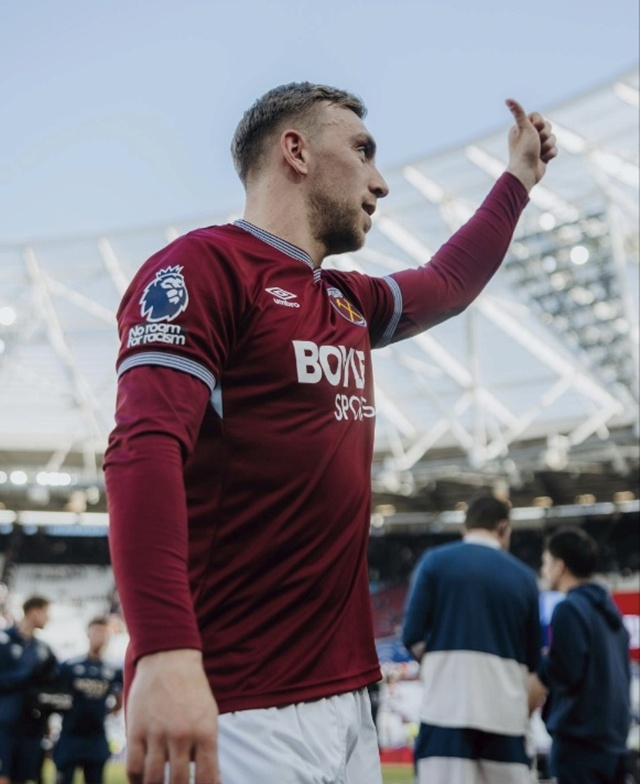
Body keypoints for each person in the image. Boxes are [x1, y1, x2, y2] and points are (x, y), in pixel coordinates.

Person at [104, 81, 557, 784]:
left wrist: (518, 178)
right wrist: (165, 650)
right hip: (237, 702)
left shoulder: (343, 300)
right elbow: (143, 451)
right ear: (297, 151)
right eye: (363, 151)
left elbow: (447, 282)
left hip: (349, 702)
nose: (381, 182)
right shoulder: (202, 268)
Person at [402, 496, 542, 783]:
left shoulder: (435, 563)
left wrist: (442, 665)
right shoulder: (525, 578)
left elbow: (411, 635)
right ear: (503, 528)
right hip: (505, 720)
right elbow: (532, 661)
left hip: (445, 715)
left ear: (466, 527)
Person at [535, 526, 631, 784]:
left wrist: (542, 662)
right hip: (613, 745)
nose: (543, 570)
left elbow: (566, 672)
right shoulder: (610, 613)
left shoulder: (569, 609)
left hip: (579, 745)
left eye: (545, 562)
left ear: (560, 566)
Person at [53, 616, 123, 784]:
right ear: (88, 633)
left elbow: (119, 699)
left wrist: (105, 712)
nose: (100, 636)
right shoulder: (70, 666)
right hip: (70, 734)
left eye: (104, 633)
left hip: (96, 736)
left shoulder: (112, 670)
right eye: (97, 631)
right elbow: (55, 696)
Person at [0, 595, 57, 784]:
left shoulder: (44, 649)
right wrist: (26, 673)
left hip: (32, 724)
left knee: (24, 777)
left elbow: (52, 683)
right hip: (5, 722)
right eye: (46, 613)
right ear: (34, 612)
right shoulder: (3, 640)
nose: (48, 618)